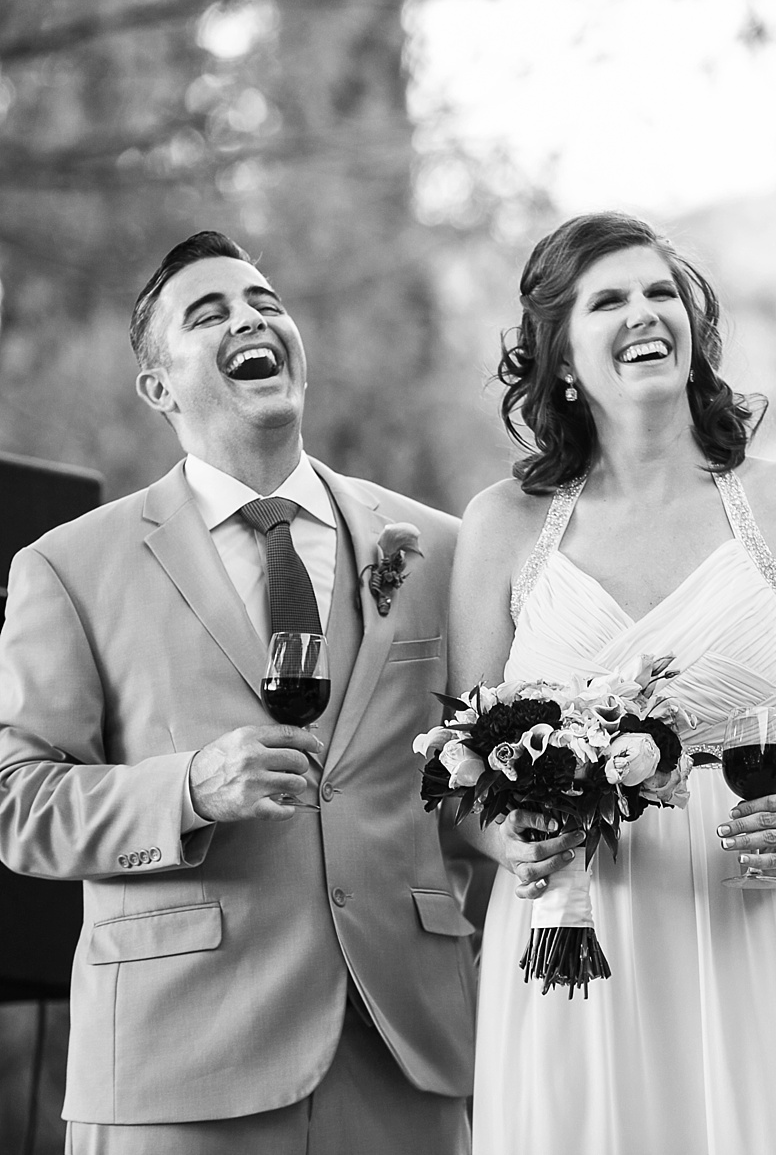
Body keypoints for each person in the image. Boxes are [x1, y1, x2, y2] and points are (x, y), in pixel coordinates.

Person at [0, 232, 476, 1153]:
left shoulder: (440, 549)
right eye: (208, 312)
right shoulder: (67, 566)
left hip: (404, 1053)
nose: (251, 319)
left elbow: (476, 783)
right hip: (175, 1063)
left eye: (264, 302)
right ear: (158, 385)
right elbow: (17, 802)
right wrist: (188, 788)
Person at [453, 211, 776, 1154]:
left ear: (693, 329)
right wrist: (509, 844)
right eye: (608, 299)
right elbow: (460, 768)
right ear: (562, 358)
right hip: (572, 933)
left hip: (755, 912)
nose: (643, 311)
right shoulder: (503, 524)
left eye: (660, 291)